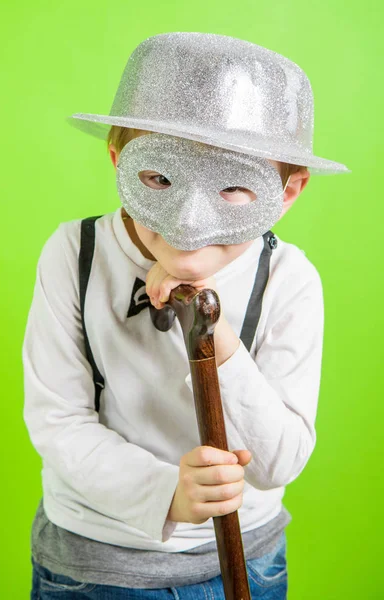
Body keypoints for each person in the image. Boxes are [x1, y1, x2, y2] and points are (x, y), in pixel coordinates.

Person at [23, 32, 350, 599]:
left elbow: (277, 462)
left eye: (233, 188)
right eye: (158, 179)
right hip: (92, 567)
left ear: (289, 190)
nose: (188, 223)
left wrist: (214, 330)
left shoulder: (289, 280)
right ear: (118, 158)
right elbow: (58, 421)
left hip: (244, 562)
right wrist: (165, 493)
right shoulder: (72, 253)